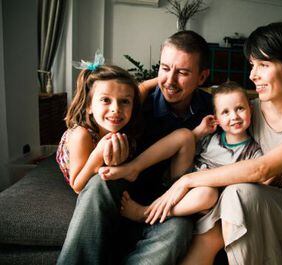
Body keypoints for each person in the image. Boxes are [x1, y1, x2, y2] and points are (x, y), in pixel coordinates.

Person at [143, 22, 282, 265]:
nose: (252, 75)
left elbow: (262, 168)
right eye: (252, 65)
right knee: (212, 233)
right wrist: (143, 87)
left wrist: (187, 180)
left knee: (237, 193)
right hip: (253, 191)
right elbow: (201, 92)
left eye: (263, 65)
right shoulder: (248, 109)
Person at [57, 30, 212, 265]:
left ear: (202, 77)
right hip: (124, 191)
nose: (169, 81)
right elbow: (124, 91)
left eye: (182, 72)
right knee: (100, 181)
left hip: (164, 200)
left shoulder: (215, 110)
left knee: (180, 228)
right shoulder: (136, 103)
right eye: (165, 68)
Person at [100, 81, 264, 224]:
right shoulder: (212, 138)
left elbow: (262, 174)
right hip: (178, 185)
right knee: (184, 135)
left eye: (240, 108)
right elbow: (186, 146)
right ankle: (133, 168)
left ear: (250, 109)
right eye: (226, 112)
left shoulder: (253, 151)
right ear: (217, 119)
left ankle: (146, 213)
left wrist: (277, 177)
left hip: (203, 201)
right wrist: (200, 130)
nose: (234, 116)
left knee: (208, 193)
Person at [55, 60, 142, 194]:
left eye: (125, 101)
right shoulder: (81, 135)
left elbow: (144, 88)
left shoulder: (124, 128)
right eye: (106, 100)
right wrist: (98, 154)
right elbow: (77, 187)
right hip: (81, 172)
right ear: (89, 105)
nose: (116, 109)